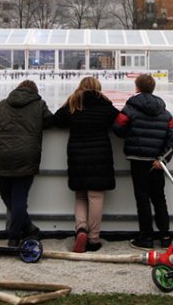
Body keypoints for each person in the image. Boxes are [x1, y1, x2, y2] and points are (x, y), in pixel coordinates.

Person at [53, 76, 120, 253]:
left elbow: (56, 120)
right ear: (98, 88)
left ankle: (81, 229)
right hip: (100, 154)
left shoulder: (73, 103)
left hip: (77, 155)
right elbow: (119, 123)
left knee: (81, 196)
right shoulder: (105, 104)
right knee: (96, 196)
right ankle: (93, 238)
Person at [112, 73, 173, 250]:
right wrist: (163, 158)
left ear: (137, 87)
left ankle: (146, 237)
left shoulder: (131, 107)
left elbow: (118, 127)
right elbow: (172, 136)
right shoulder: (165, 112)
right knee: (159, 198)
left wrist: (132, 135)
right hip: (157, 162)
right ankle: (165, 236)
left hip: (137, 159)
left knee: (142, 198)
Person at [0, 79, 53, 246]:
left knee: (6, 195)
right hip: (27, 156)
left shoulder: (2, 105)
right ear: (35, 92)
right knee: (19, 197)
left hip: (4, 155)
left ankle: (21, 231)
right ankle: (19, 233)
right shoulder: (39, 105)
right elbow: (50, 121)